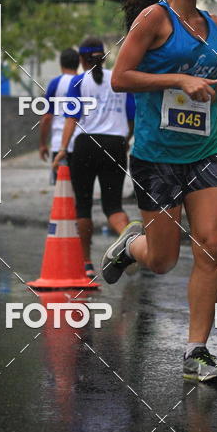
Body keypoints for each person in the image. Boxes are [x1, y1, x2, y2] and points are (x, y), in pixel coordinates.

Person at [102, 0, 217, 383]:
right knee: (163, 259)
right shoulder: (154, 18)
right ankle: (131, 244)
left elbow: (204, 89)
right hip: (156, 155)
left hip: (205, 150)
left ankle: (196, 352)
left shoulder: (216, 24)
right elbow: (120, 78)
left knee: (211, 244)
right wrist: (176, 81)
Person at [53, 37, 135, 279]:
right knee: (113, 206)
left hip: (85, 146)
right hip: (115, 145)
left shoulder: (78, 81)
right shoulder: (120, 79)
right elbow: (132, 119)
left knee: (83, 206)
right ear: (104, 57)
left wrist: (62, 148)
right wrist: (123, 141)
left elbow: (71, 118)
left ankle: (86, 263)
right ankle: (129, 250)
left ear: (81, 59)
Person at [39, 48, 80, 181]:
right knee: (81, 191)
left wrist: (43, 144)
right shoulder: (83, 81)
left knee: (62, 191)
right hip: (82, 144)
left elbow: (47, 117)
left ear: (61, 64)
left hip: (60, 144)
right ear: (78, 63)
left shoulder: (55, 84)